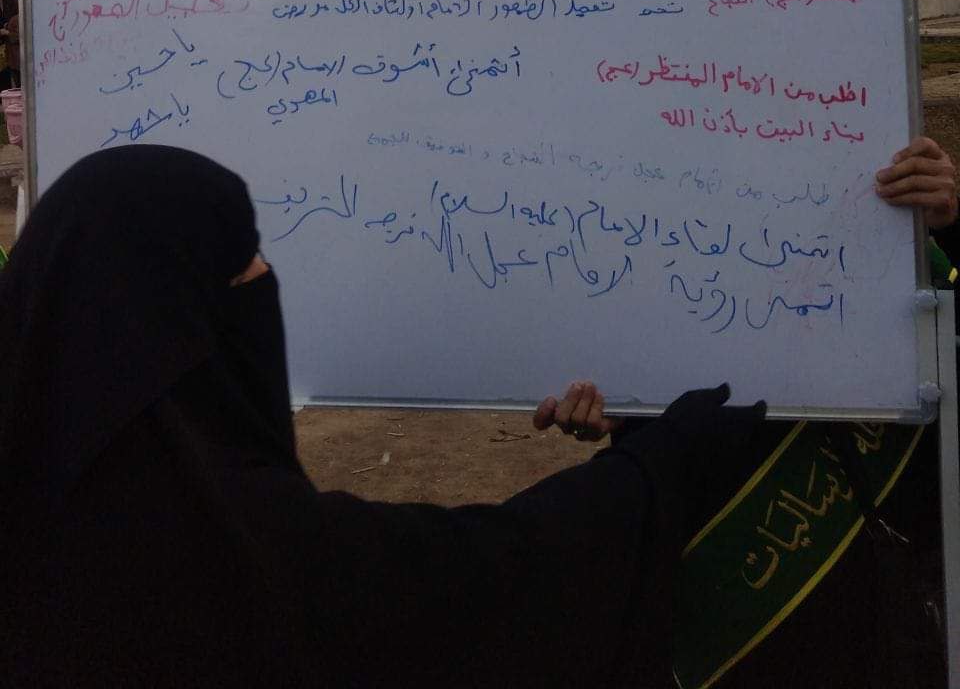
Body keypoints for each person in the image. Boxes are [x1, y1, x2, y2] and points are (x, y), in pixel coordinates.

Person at [0, 145, 766, 689]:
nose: (264, 273)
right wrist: (661, 462)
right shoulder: (247, 560)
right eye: (239, 258)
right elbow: (495, 580)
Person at [534, 136, 960, 687]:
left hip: (869, 532)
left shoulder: (868, 118)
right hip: (714, 527)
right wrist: (619, 400)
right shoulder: (628, 135)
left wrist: (943, 226)